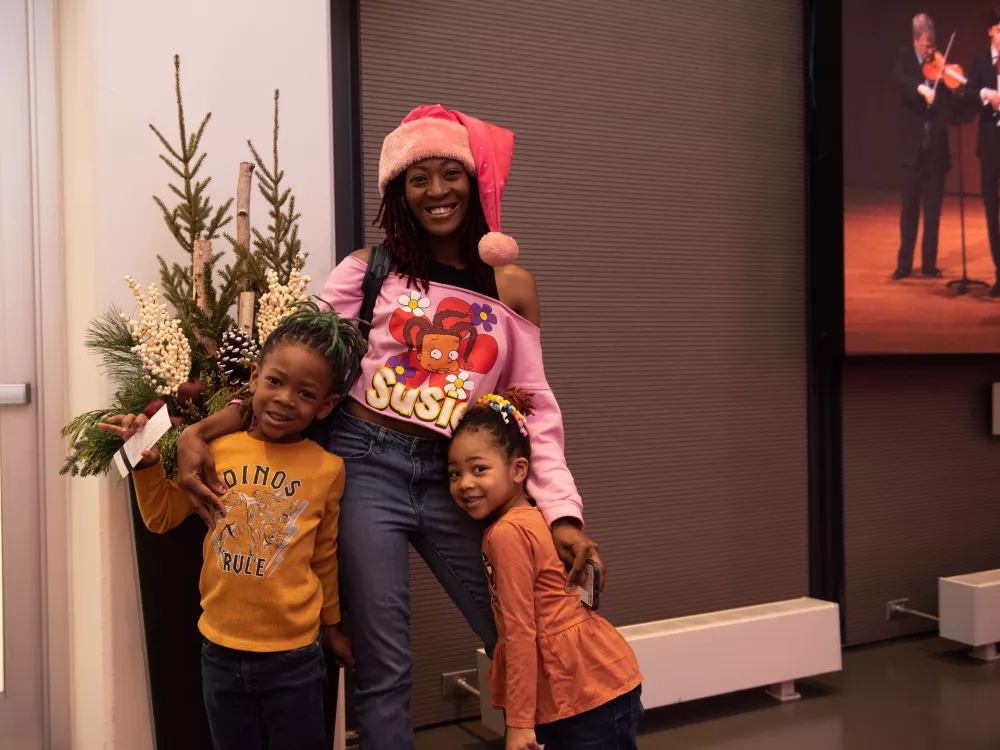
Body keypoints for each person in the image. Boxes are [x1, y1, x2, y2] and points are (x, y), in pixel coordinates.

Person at [174, 104, 603, 749]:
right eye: (417, 178)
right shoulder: (366, 271)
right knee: (383, 668)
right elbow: (292, 368)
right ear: (398, 193)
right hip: (364, 463)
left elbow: (534, 408)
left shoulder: (510, 286)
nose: (436, 192)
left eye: (449, 173)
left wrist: (562, 513)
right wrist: (200, 431)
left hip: (456, 476)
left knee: (529, 626)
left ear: (474, 180)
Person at [99, 302, 364, 750]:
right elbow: (161, 517)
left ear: (326, 405)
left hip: (295, 657)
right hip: (219, 651)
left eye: (304, 393)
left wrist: (332, 627)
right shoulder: (217, 449)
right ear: (255, 377)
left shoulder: (327, 469)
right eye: (276, 382)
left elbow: (324, 557)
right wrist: (145, 467)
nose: (284, 399)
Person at [449, 389, 643, 750]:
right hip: (595, 685)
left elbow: (520, 631)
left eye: (479, 469)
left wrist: (519, 724)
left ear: (519, 469)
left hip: (587, 695)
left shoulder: (507, 534)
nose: (465, 483)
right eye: (454, 473)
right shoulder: (536, 518)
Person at [891, 13, 962, 280]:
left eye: (932, 43)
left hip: (935, 149)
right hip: (911, 148)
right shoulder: (904, 57)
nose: (929, 49)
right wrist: (921, 89)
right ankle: (904, 263)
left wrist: (951, 83)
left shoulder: (938, 64)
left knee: (933, 210)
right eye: (924, 44)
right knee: (909, 208)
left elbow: (952, 104)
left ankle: (929, 264)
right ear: (914, 40)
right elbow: (898, 79)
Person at [967, 7, 1000, 296]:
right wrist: (986, 95)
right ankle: (999, 271)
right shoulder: (980, 60)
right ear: (991, 30)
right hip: (989, 142)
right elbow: (968, 91)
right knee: (991, 207)